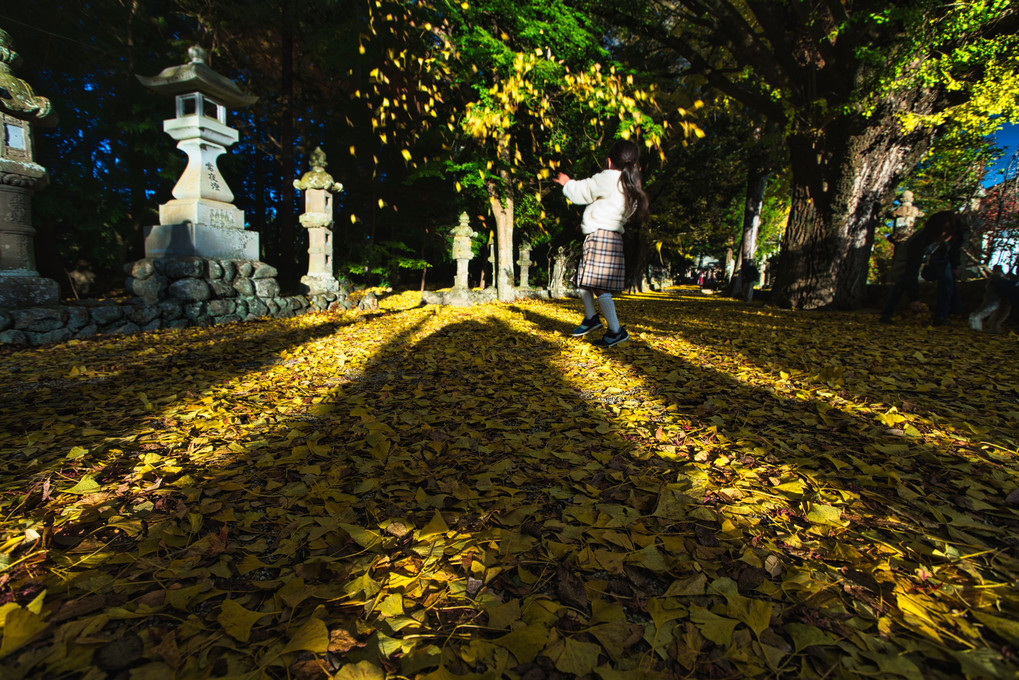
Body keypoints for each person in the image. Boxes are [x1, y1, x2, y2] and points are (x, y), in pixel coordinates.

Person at [553, 139, 649, 347]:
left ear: (608, 161)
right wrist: (587, 223)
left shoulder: (609, 177)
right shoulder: (629, 184)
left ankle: (614, 330)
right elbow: (610, 211)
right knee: (585, 280)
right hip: (611, 237)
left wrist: (567, 182)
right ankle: (591, 319)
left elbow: (583, 191)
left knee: (597, 286)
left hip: (600, 238)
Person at [879, 210, 964, 326]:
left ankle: (941, 316)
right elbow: (912, 269)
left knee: (948, 280)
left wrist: (955, 266)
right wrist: (914, 298)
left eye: (948, 232)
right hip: (918, 259)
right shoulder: (919, 241)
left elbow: (955, 251)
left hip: (940, 257)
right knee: (902, 281)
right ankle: (887, 313)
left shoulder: (956, 234)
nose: (945, 235)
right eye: (943, 231)